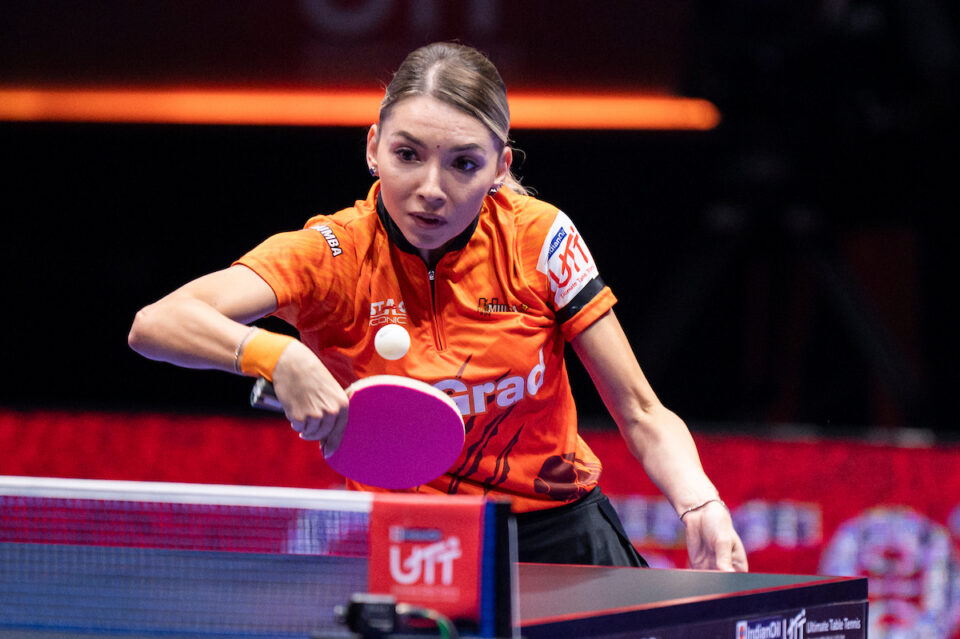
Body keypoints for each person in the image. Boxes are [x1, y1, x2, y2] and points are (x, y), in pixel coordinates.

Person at [128, 42, 748, 572]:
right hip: (419, 541)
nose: (431, 189)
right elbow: (155, 324)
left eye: (463, 164)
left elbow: (640, 410)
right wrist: (274, 355)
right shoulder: (330, 255)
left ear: (500, 168)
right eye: (408, 154)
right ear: (373, 147)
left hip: (561, 530)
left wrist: (700, 502)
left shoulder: (538, 238)